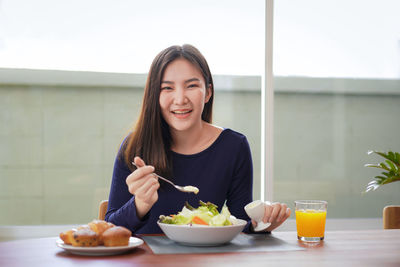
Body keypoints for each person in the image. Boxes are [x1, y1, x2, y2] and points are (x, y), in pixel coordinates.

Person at [105, 44, 290, 234]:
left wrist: (264, 224)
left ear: (208, 92)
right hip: (147, 262)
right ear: (155, 96)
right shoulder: (135, 147)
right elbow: (111, 229)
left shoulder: (234, 147)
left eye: (191, 86)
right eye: (167, 88)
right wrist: (140, 204)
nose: (180, 99)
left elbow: (240, 225)